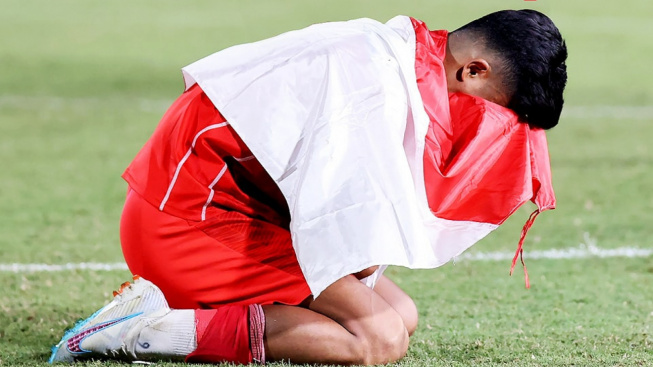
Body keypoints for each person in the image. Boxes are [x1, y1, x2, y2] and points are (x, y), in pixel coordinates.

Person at [49, 9, 567, 365]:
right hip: (190, 222)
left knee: (401, 315)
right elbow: (341, 227)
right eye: (498, 119)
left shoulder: (398, 54)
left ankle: (193, 312)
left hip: (235, 210)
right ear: (474, 71)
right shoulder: (373, 83)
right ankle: (143, 330)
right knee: (377, 338)